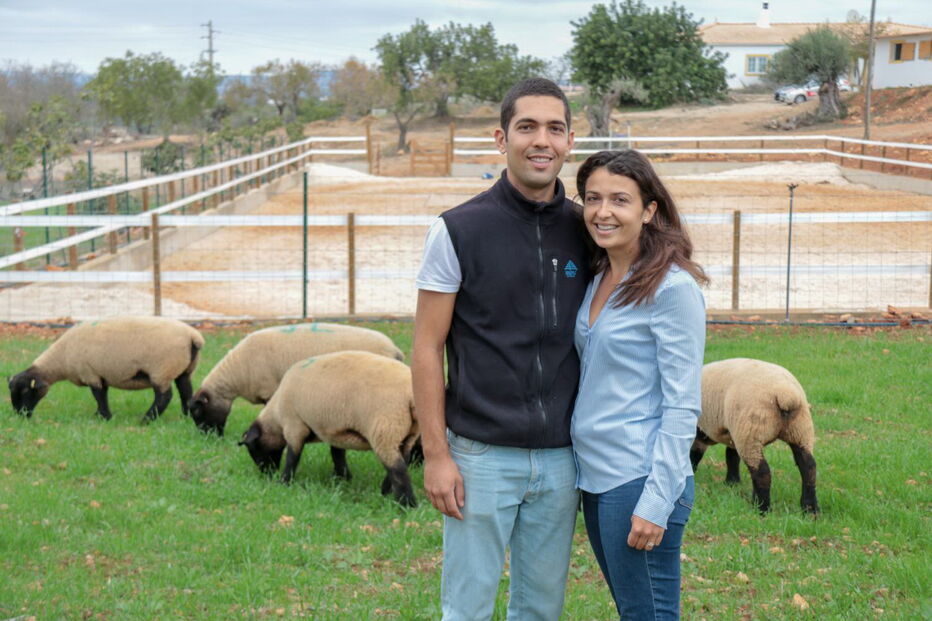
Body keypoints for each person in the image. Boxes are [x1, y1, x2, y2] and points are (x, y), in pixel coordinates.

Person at [411, 77, 590, 620]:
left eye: (554, 128)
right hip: (479, 455)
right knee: (466, 609)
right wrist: (438, 455)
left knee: (540, 611)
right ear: (501, 137)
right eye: (527, 127)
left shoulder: (589, 230)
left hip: (562, 458)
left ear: (570, 139)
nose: (542, 141)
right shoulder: (457, 230)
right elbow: (425, 349)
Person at [571, 149, 708, 620]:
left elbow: (682, 405)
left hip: (639, 478)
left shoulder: (672, 289)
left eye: (620, 200)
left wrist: (656, 501)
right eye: (592, 198)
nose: (602, 211)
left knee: (648, 614)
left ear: (649, 210)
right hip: (597, 476)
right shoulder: (599, 275)